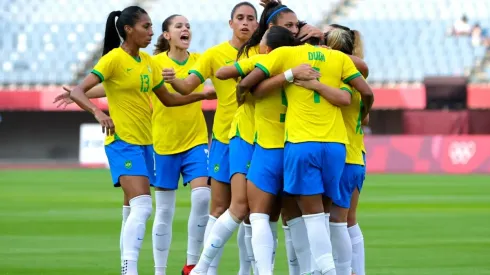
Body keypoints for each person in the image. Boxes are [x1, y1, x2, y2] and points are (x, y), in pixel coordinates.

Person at [61, 6, 214, 275]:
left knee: (132, 210)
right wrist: (99, 113)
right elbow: (78, 90)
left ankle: (130, 265)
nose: (151, 32)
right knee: (143, 207)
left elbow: (169, 100)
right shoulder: (113, 59)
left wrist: (201, 96)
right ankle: (129, 269)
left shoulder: (148, 63)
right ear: (129, 30)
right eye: (146, 26)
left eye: (152, 26)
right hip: (122, 141)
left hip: (146, 144)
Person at [236, 40, 373, 275]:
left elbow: (248, 86)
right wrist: (364, 114)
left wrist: (289, 75)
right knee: (334, 220)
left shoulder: (286, 53)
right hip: (337, 147)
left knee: (312, 217)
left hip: (301, 144)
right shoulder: (339, 61)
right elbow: (366, 91)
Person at [214, 26, 322, 275]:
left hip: (265, 150)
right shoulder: (306, 65)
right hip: (294, 148)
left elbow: (229, 77)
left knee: (256, 216)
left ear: (269, 48)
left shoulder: (264, 60)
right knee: (299, 219)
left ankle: (207, 269)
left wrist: (245, 87)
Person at [161, 2, 259, 274]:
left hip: (257, 139)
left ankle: (244, 270)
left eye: (251, 19)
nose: (245, 23)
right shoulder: (215, 55)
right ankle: (207, 271)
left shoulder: (265, 53)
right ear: (231, 23)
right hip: (225, 139)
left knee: (252, 212)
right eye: (240, 18)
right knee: (218, 207)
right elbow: (188, 85)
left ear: (257, 25)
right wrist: (172, 80)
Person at [151, 15, 211, 275]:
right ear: (167, 35)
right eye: (179, 26)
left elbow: (216, 87)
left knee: (202, 197)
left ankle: (191, 264)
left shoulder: (199, 61)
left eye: (188, 26)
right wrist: (82, 92)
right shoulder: (154, 64)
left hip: (196, 140)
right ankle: (160, 270)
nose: (185, 29)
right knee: (164, 210)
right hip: (163, 143)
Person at [324, 25, 369, 275]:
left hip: (345, 157)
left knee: (337, 222)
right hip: (356, 155)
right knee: (349, 221)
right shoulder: (353, 77)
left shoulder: (344, 79)